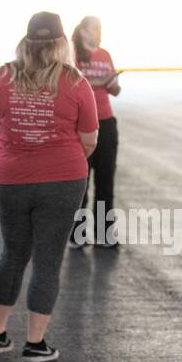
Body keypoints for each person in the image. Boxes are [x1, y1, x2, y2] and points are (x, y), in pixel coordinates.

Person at [0, 11, 98, 362]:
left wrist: (23, 146)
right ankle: (35, 344)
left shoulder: (2, 76)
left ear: (26, 41)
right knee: (48, 259)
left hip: (11, 178)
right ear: (62, 43)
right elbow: (89, 140)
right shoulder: (76, 82)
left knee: (13, 253)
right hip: (62, 179)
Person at [70, 16, 122, 248]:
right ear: (82, 31)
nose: (99, 32)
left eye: (101, 28)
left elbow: (115, 91)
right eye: (95, 29)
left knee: (105, 181)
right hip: (80, 126)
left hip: (106, 123)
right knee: (81, 181)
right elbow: (75, 85)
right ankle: (77, 235)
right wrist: (100, 79)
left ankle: (104, 234)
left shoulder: (105, 54)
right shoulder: (73, 56)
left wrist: (111, 82)